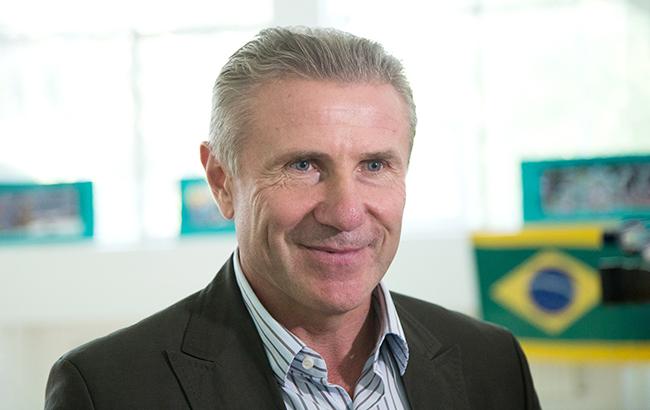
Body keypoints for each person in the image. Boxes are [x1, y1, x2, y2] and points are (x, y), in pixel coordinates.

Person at [45, 26, 540, 409]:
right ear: (222, 181)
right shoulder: (108, 390)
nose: (346, 213)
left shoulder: (491, 363)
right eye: (303, 166)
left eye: (374, 166)